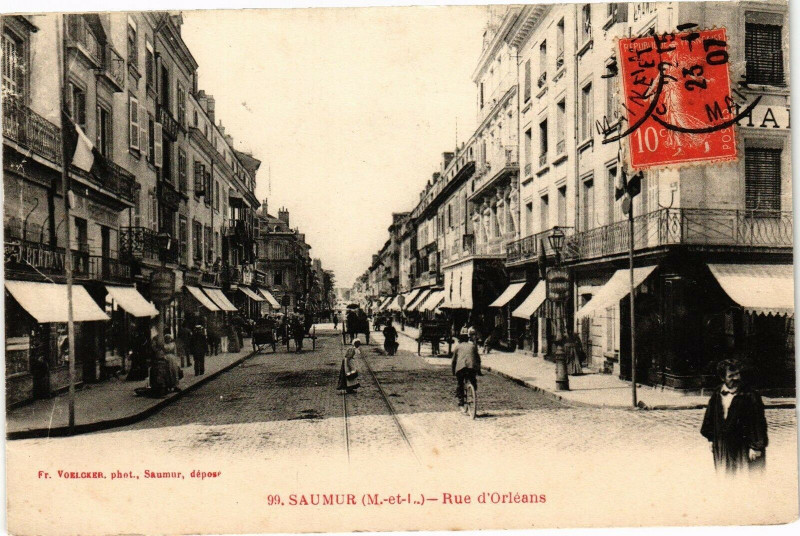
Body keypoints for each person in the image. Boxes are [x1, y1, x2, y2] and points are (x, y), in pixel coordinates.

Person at [701, 359, 768, 474]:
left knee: (745, 476)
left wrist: (756, 447)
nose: (736, 378)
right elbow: (710, 418)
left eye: (737, 374)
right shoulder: (717, 393)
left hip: (744, 446)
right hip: (723, 446)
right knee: (724, 475)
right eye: (731, 376)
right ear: (723, 378)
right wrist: (711, 439)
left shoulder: (750, 395)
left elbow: (758, 422)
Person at [451, 332, 482, 412]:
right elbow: (478, 359)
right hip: (471, 367)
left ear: (459, 340)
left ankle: (461, 401)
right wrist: (479, 370)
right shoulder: (473, 346)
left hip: (461, 368)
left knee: (460, 383)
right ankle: (473, 392)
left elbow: (453, 361)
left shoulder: (458, 347)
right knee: (473, 380)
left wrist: (453, 371)